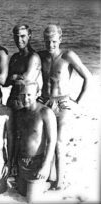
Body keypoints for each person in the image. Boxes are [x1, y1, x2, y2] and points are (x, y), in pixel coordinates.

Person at [38, 24, 92, 190]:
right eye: (47, 41)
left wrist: (77, 102)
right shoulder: (41, 56)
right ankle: (49, 175)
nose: (50, 44)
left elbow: (87, 76)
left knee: (59, 142)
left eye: (54, 41)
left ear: (60, 39)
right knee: (47, 141)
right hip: (46, 102)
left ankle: (59, 181)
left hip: (63, 104)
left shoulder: (68, 55)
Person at [14, 81, 57, 203]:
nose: (25, 98)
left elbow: (51, 141)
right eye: (22, 94)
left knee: (31, 200)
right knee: (21, 192)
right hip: (22, 161)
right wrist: (13, 163)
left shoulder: (45, 113)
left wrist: (45, 166)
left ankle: (46, 183)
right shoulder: (19, 114)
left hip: (38, 162)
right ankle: (38, 185)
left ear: (37, 94)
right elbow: (18, 139)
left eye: (29, 94)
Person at [5, 24, 41, 110]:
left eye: (22, 36)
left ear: (29, 36)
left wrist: (14, 76)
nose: (19, 40)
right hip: (12, 100)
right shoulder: (15, 57)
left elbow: (26, 80)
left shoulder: (33, 57)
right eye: (16, 37)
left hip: (26, 103)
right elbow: (6, 82)